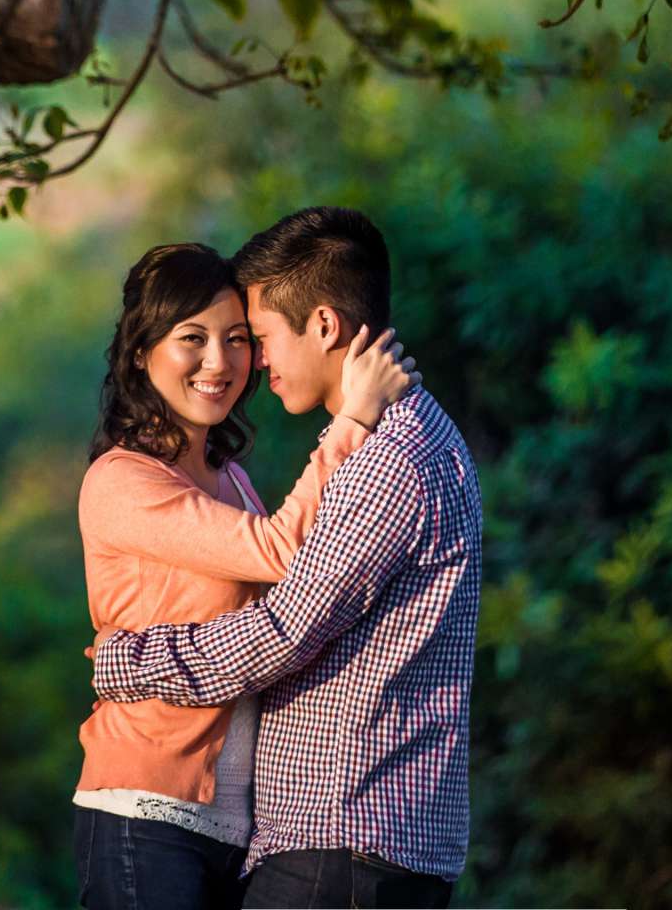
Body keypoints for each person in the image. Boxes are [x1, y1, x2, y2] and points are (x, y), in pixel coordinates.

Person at [91, 208, 481, 908]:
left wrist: (132, 659)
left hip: (344, 832)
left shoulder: (382, 458)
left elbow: (285, 627)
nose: (248, 361)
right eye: (197, 339)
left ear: (324, 326)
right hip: (287, 827)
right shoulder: (408, 440)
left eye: (253, 337)